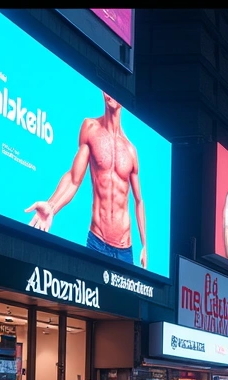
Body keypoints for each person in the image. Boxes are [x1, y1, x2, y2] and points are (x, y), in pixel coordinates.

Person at [25, 91, 151, 268]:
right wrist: (52, 206)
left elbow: (139, 201)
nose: (111, 95)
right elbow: (74, 178)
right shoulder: (90, 129)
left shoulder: (131, 151)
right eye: (107, 89)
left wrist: (144, 245)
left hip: (125, 248)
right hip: (97, 242)